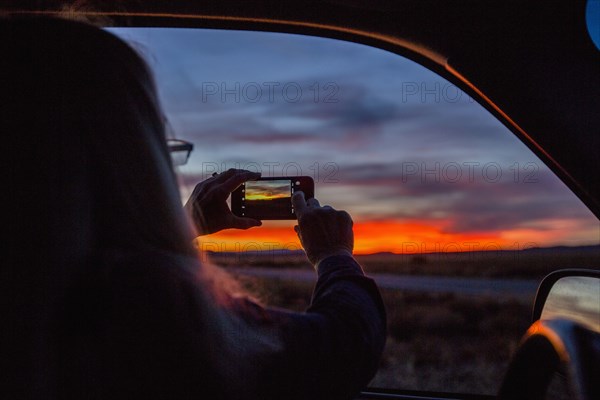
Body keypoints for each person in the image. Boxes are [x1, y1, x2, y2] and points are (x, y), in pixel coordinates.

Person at [2, 16, 386, 400]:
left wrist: (185, 225)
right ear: (132, 158)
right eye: (162, 144)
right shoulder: (148, 308)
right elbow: (343, 347)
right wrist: (333, 255)